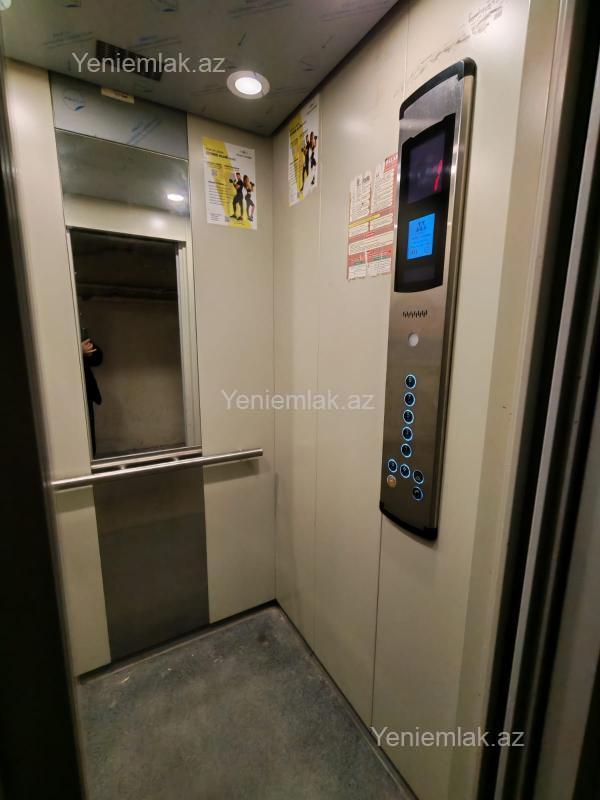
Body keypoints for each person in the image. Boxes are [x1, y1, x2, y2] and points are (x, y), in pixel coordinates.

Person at [82, 335, 102, 456]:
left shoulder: (75, 335)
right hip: (65, 392)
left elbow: (98, 359)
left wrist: (87, 353)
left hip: (86, 393)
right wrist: (77, 351)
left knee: (88, 436)